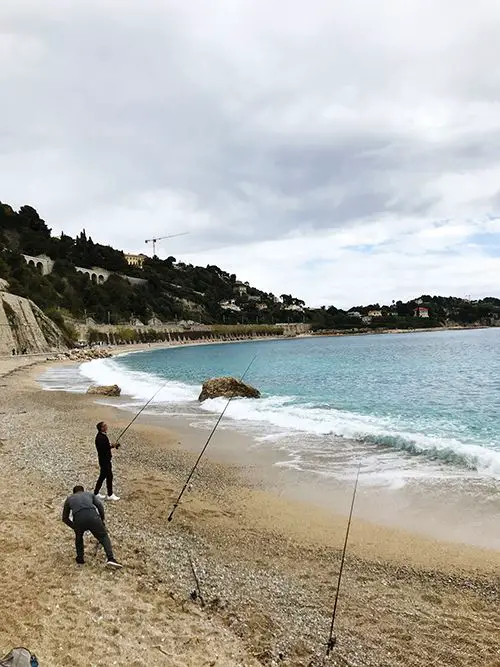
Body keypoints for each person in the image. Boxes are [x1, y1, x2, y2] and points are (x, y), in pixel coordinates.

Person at [62, 485, 122, 567]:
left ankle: (80, 559)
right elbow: (100, 505)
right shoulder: (89, 494)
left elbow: (64, 518)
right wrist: (102, 519)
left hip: (79, 518)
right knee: (103, 536)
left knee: (79, 537)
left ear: (74, 492)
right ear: (83, 491)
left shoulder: (69, 499)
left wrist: (74, 527)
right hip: (92, 516)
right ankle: (111, 558)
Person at [93, 421, 120, 501]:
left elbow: (106, 446)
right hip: (104, 460)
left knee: (107, 476)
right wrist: (112, 446)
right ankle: (109, 494)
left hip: (105, 460)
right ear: (101, 428)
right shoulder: (100, 437)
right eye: (105, 425)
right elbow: (104, 448)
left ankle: (97, 493)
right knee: (105, 476)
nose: (106, 426)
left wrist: (112, 445)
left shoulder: (102, 436)